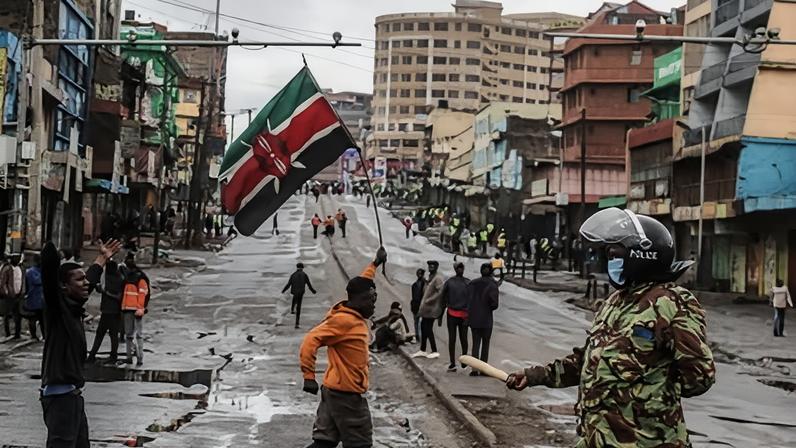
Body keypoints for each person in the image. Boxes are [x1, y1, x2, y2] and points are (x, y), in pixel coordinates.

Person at [505, 208, 716, 447]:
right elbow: (588, 360)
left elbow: (700, 376)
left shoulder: (672, 302)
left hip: (647, 442)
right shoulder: (615, 302)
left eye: (616, 254)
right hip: (598, 438)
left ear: (641, 255)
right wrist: (534, 376)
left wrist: (652, 391)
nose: (611, 262)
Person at [299, 247, 387, 448]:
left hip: (333, 391)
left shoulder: (354, 310)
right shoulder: (344, 321)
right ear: (359, 299)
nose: (374, 305)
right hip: (346, 395)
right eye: (372, 300)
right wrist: (309, 376)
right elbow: (311, 339)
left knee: (324, 443)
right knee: (360, 443)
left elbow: (363, 282)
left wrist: (375, 263)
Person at [40, 239, 121, 448]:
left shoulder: (73, 307)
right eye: (79, 280)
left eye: (85, 278)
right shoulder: (58, 311)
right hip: (60, 400)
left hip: (73, 397)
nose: (86, 283)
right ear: (63, 286)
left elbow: (90, 282)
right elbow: (49, 282)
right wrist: (50, 252)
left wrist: (102, 258)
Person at [87, 257, 125, 363]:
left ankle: (94, 356)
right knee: (111, 335)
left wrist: (105, 292)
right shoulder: (114, 278)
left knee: (103, 334)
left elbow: (119, 296)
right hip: (110, 311)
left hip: (110, 311)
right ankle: (111, 356)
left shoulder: (117, 280)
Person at [467, 263, 499, 375]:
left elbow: (467, 300)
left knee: (475, 344)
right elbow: (495, 304)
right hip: (486, 319)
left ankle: (474, 369)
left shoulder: (473, 283)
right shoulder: (493, 285)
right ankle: (484, 369)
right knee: (485, 344)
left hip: (474, 318)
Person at [120, 252, 150, 367]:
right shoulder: (133, 277)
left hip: (133, 309)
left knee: (133, 335)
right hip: (130, 309)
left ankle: (137, 357)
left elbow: (142, 294)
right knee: (132, 335)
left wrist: (140, 308)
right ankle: (134, 356)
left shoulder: (137, 278)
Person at [413, 260, 444, 359]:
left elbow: (440, 292)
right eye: (429, 266)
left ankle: (434, 350)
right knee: (423, 327)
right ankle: (423, 349)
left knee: (428, 328)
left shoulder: (437, 278)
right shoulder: (429, 277)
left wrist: (430, 300)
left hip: (432, 308)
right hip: (426, 309)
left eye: (432, 266)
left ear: (436, 267)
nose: (430, 267)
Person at [442, 262, 470, 372]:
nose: (460, 270)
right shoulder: (467, 282)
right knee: (460, 339)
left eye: (461, 267)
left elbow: (443, 298)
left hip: (455, 315)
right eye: (459, 268)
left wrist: (440, 314)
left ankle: (456, 362)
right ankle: (458, 362)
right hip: (459, 315)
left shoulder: (450, 282)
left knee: (456, 339)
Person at [282, 263, 317, 329]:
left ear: (297, 267)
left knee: (295, 297)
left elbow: (288, 284)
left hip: (294, 291)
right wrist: (313, 291)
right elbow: (309, 284)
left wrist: (283, 290)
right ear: (302, 268)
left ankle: (292, 309)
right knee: (299, 307)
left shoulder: (293, 275)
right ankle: (297, 323)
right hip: (301, 292)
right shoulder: (304, 275)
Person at [2, 254, 24, 339]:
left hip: (18, 294)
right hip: (10, 295)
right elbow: (3, 282)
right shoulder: (8, 269)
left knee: (18, 315)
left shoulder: (20, 268)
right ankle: (7, 333)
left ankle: (17, 333)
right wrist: (7, 292)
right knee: (7, 314)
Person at [24, 254, 45, 340]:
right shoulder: (31, 272)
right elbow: (37, 281)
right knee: (33, 318)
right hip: (34, 298)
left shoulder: (40, 270)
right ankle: (33, 335)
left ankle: (43, 335)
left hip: (40, 299)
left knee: (42, 319)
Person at [410, 268, 426, 343]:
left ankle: (419, 337)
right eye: (418, 273)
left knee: (419, 323)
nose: (419, 275)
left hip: (420, 305)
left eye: (420, 273)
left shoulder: (419, 284)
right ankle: (418, 337)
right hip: (417, 305)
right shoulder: (416, 284)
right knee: (418, 322)